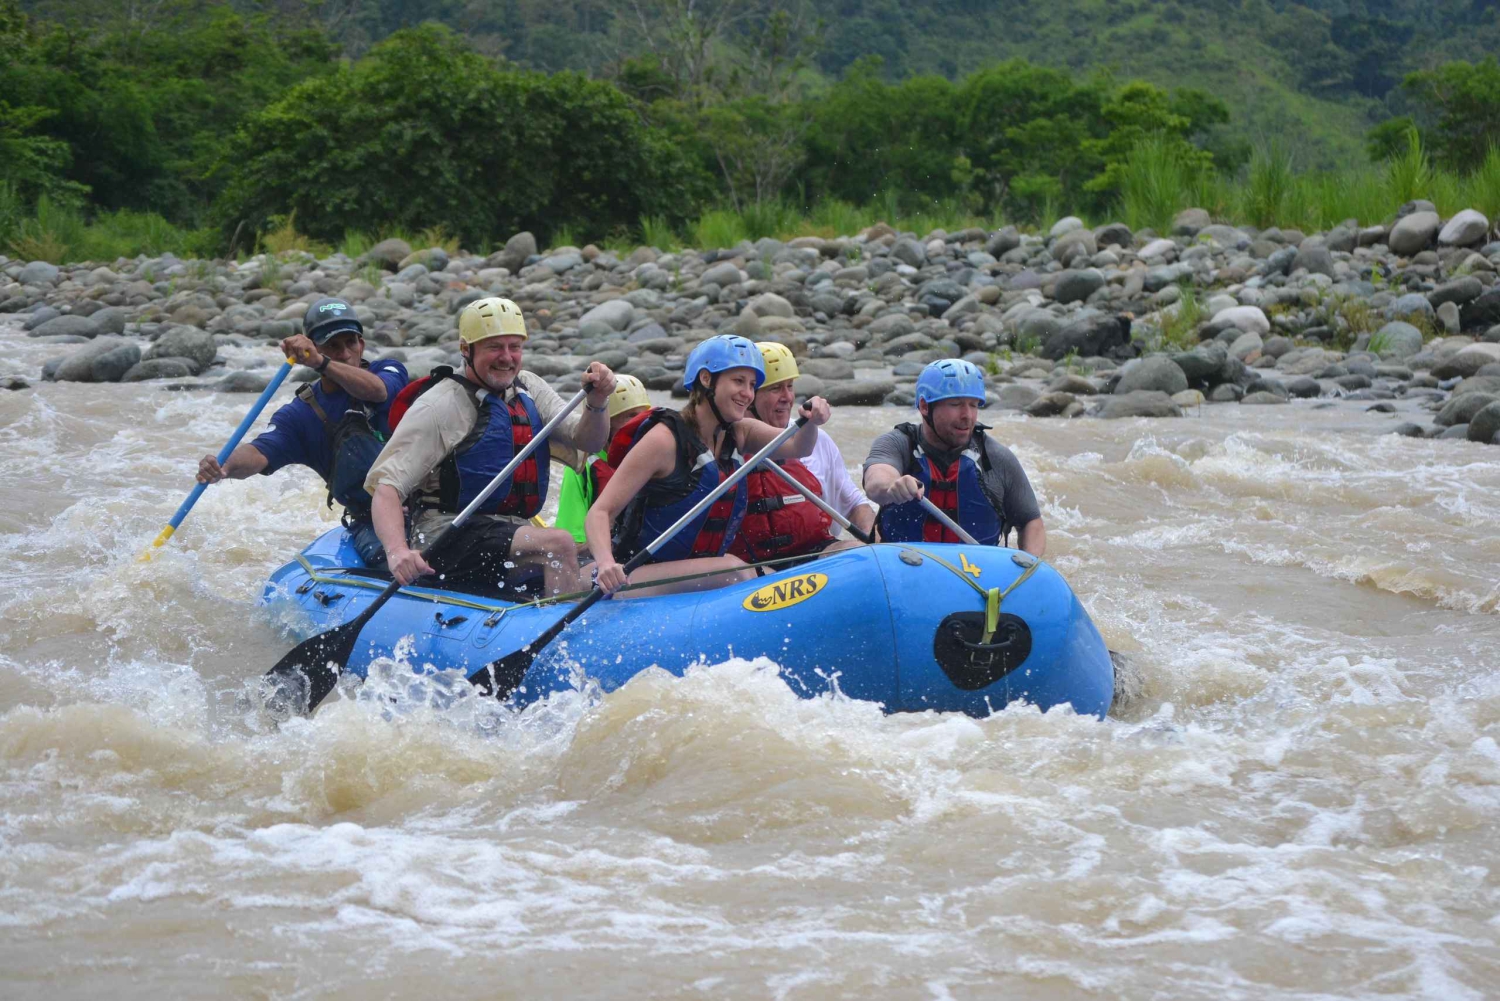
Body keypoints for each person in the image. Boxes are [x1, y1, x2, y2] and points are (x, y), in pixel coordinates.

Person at [363, 296, 616, 596]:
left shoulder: (529, 388)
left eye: (515, 347)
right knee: (559, 544)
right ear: (466, 350)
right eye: (494, 347)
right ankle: (560, 632)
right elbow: (386, 487)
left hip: (509, 529)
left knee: (588, 553)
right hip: (446, 534)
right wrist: (397, 552)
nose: (507, 358)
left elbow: (588, 439)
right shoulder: (440, 405)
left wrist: (597, 403)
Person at [584, 334, 831, 597]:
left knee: (768, 577)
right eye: (738, 381)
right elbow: (600, 513)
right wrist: (605, 563)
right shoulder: (664, 440)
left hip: (697, 574)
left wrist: (811, 421)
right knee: (735, 571)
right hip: (634, 576)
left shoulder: (740, 433)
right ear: (706, 379)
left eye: (751, 384)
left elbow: (798, 447)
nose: (747, 394)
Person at [196, 297, 408, 565]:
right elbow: (259, 452)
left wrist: (322, 362)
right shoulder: (301, 414)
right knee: (391, 560)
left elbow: (378, 392)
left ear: (361, 344)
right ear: (314, 348)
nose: (344, 353)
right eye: (332, 345)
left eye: (350, 343)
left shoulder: (388, 372)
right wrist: (223, 467)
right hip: (372, 523)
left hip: (424, 508)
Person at [863, 359, 1046, 556]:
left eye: (974, 405)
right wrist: (893, 486)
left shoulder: (996, 458)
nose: (967, 415)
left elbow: (1031, 522)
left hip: (978, 573)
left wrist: (1029, 566)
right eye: (956, 404)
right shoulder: (897, 444)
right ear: (925, 406)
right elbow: (876, 481)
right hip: (905, 565)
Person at [728, 342, 868, 561]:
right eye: (775, 389)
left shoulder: (817, 439)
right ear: (749, 396)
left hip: (813, 554)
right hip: (752, 567)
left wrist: (876, 543)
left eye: (790, 387)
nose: (787, 397)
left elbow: (854, 505)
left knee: (862, 554)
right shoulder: (725, 445)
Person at [552, 374, 652, 545]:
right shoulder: (583, 467)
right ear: (608, 422)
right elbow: (572, 538)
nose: (642, 423)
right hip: (596, 553)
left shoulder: (653, 460)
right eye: (631, 416)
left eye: (645, 416)